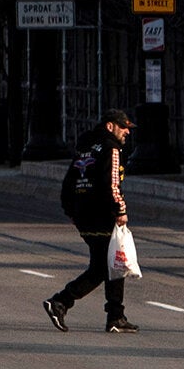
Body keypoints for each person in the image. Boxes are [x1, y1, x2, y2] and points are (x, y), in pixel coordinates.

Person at [46, 109, 138, 334]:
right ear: (110, 126)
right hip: (102, 214)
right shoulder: (111, 148)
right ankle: (61, 302)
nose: (127, 132)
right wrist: (121, 210)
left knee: (109, 264)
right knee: (109, 264)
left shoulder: (84, 147)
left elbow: (70, 179)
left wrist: (70, 209)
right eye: (123, 126)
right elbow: (112, 183)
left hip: (83, 215)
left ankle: (115, 316)